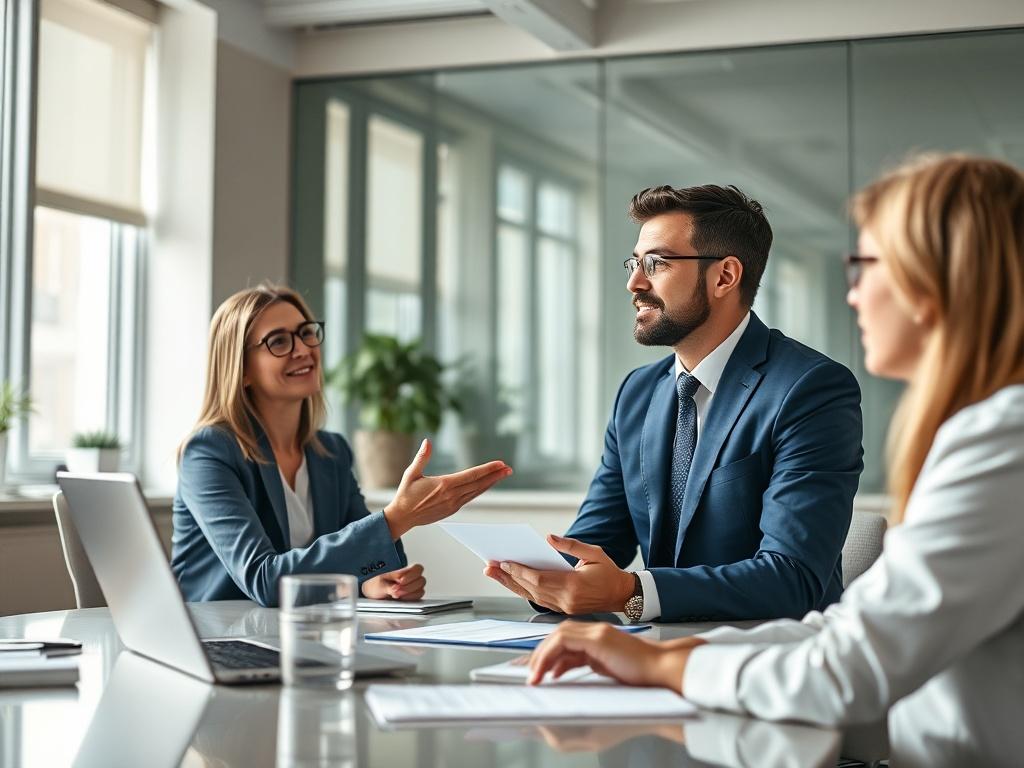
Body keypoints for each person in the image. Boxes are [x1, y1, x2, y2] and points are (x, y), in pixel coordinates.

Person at [527, 154, 1024, 766]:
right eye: (636, 263)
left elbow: (843, 651)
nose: (853, 292)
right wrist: (538, 572)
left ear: (934, 283)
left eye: (866, 266)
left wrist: (652, 645)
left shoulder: (1001, 441)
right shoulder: (982, 432)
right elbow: (845, 636)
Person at [487, 184, 863, 622]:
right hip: (650, 654)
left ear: (724, 276)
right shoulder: (637, 393)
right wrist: (546, 579)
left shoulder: (810, 389)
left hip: (766, 660)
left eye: (657, 263)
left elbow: (792, 578)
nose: (634, 283)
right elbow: (598, 538)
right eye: (634, 263)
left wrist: (631, 592)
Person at [172, 284, 512, 607]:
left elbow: (367, 558)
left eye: (306, 333)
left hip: (302, 637)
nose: (303, 349)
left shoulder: (330, 452)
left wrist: (374, 583)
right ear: (242, 369)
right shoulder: (208, 453)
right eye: (278, 341)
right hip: (216, 643)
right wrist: (399, 517)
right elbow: (264, 580)